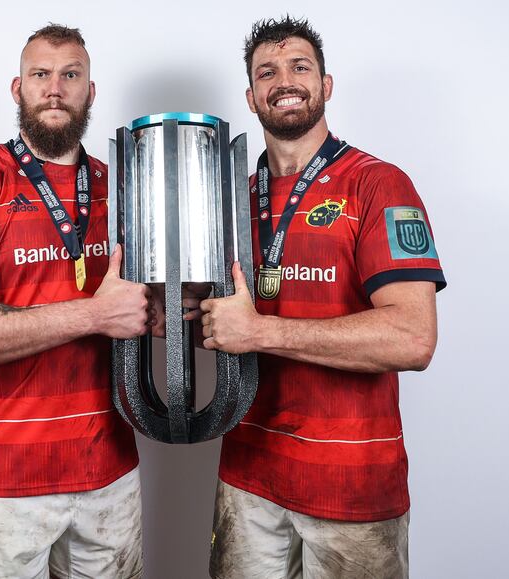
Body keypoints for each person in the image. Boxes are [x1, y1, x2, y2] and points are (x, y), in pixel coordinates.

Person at [200, 16, 447, 579]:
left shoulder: (379, 184)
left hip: (352, 486)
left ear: (326, 84)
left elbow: (412, 337)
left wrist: (260, 331)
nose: (284, 80)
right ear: (251, 95)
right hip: (247, 478)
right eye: (268, 71)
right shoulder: (230, 199)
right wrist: (181, 317)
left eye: (299, 67)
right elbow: (220, 321)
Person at [0, 24, 150, 579]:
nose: (55, 89)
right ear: (16, 89)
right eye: (40, 75)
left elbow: (142, 311)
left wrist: (162, 315)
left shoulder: (124, 189)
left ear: (92, 92)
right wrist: (94, 313)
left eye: (71, 75)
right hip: (0, 483)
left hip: (110, 477)